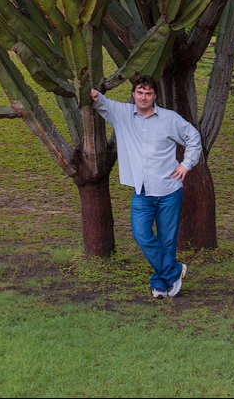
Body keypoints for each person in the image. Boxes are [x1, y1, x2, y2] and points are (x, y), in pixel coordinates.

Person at [90, 75, 202, 298]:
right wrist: (92, 93)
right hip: (141, 191)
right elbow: (102, 102)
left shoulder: (170, 119)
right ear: (133, 94)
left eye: (148, 93)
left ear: (155, 96)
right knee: (141, 234)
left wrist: (186, 164)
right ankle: (175, 271)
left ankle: (160, 284)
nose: (143, 97)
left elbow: (193, 137)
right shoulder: (122, 114)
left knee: (167, 241)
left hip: (169, 189)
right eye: (140, 92)